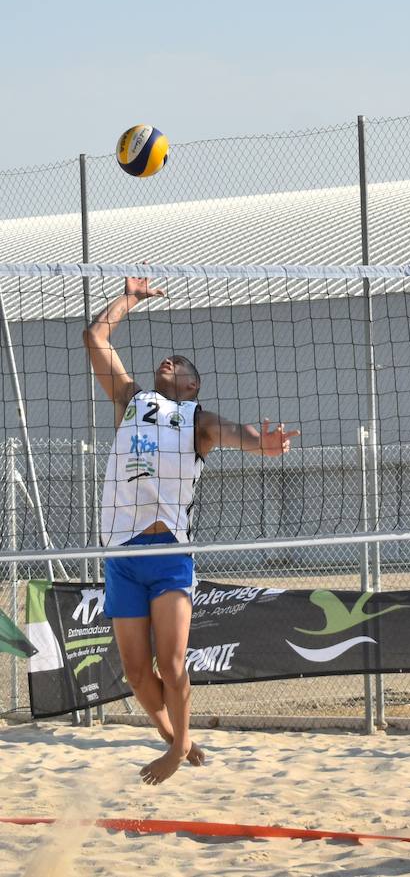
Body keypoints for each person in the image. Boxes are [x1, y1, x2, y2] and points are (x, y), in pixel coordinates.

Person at [84, 273, 299, 785]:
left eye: (180, 365)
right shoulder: (131, 400)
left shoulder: (196, 419)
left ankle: (178, 747)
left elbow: (237, 434)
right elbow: (95, 338)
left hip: (169, 552)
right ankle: (171, 736)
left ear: (191, 384)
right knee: (137, 674)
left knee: (172, 663)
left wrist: (263, 443)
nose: (170, 362)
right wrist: (129, 298)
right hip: (122, 552)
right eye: (168, 360)